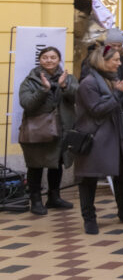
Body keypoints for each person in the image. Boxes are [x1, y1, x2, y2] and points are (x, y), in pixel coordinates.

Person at [74, 45, 123, 234]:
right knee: (88, 178)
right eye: (115, 59)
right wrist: (119, 93)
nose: (119, 63)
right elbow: (97, 109)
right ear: (103, 61)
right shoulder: (88, 83)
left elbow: (118, 106)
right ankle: (89, 219)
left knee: (121, 174)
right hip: (95, 137)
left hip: (114, 136)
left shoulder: (111, 80)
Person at [18, 46, 77, 215]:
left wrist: (64, 86)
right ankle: (36, 200)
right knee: (35, 165)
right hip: (37, 131)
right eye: (45, 57)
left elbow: (78, 97)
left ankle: (54, 197)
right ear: (40, 60)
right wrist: (44, 90)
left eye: (53, 57)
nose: (49, 60)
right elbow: (27, 103)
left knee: (56, 163)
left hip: (61, 128)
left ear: (59, 60)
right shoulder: (29, 80)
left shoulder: (68, 78)